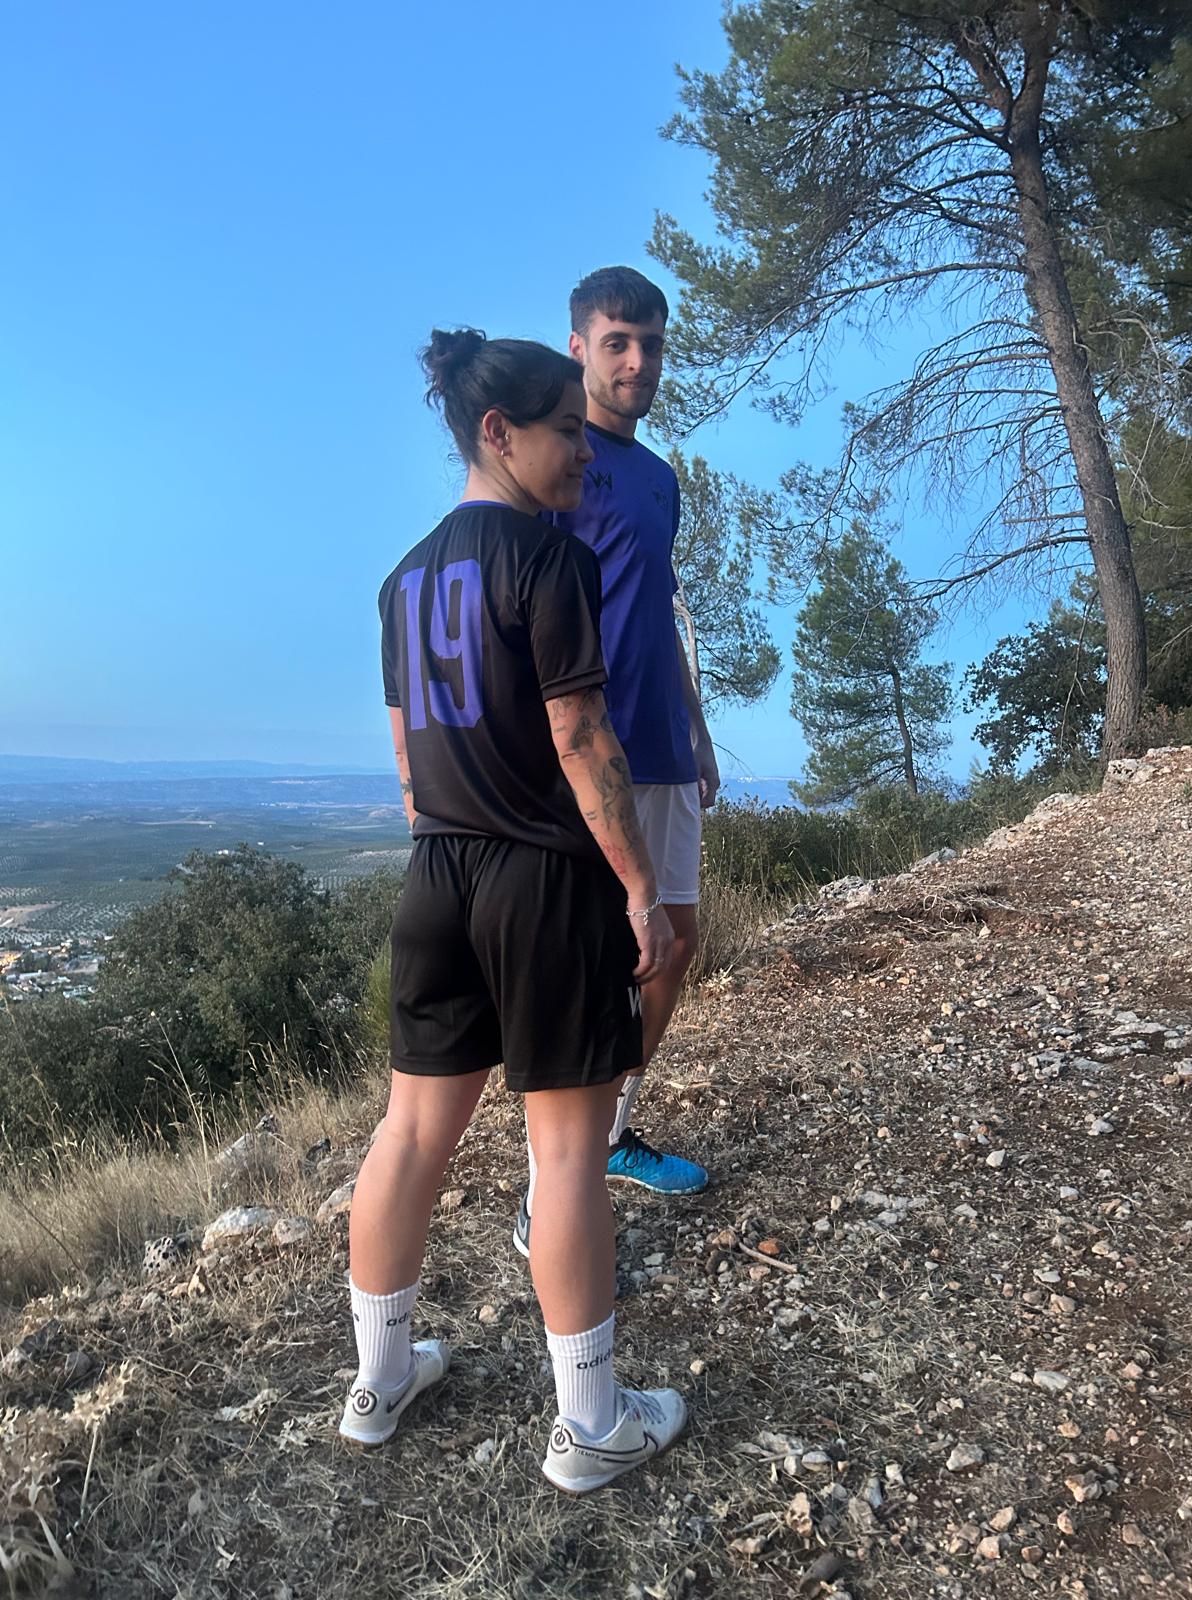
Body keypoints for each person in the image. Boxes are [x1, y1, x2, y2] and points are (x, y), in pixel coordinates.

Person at [339, 328, 687, 1493]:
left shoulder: (402, 580)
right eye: (566, 432)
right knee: (570, 1150)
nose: (584, 453)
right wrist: (638, 888)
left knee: (408, 1134)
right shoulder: (549, 558)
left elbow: (406, 760)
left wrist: (455, 830)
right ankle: (591, 1427)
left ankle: (380, 1380)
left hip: (437, 873)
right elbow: (581, 735)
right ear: (499, 432)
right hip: (541, 879)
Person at [512, 268, 717, 1260]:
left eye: (652, 345)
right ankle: (548, 1192)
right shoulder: (554, 462)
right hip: (587, 756)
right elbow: (520, 615)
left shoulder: (660, 480)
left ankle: (609, 1136)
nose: (638, 362)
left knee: (672, 948)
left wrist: (698, 726)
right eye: (618, 342)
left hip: (664, 744)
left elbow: (656, 610)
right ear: (579, 345)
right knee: (589, 970)